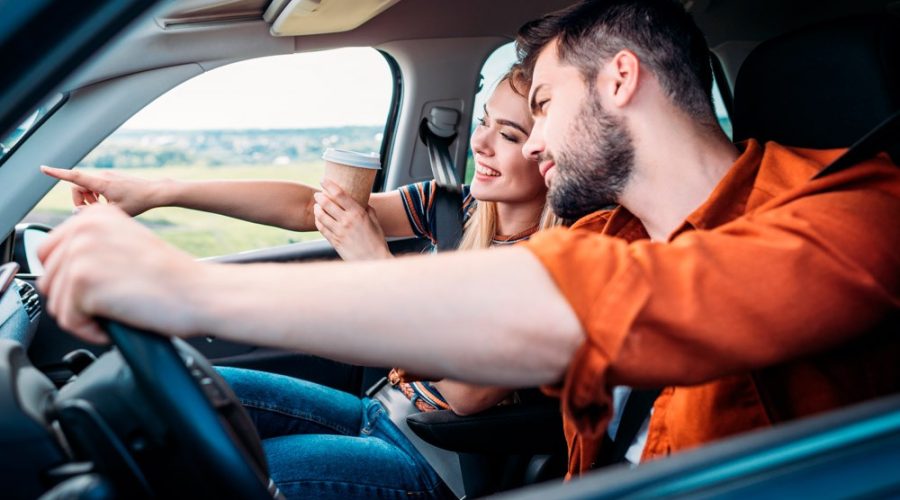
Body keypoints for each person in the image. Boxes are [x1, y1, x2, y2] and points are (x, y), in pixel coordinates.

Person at [38, 0, 900, 486]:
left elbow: (577, 304)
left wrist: (186, 290)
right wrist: (150, 195)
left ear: (621, 80)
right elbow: (552, 282)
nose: (528, 145)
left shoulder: (863, 208)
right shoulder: (613, 227)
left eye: (547, 107)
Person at [45, 69, 561, 498]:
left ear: (553, 155)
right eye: (484, 121)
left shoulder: (554, 262)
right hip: (383, 409)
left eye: (509, 135)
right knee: (199, 389)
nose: (479, 142)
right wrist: (158, 190)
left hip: (441, 457)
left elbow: (466, 396)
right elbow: (305, 207)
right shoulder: (457, 207)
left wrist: (373, 264)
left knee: (240, 475)